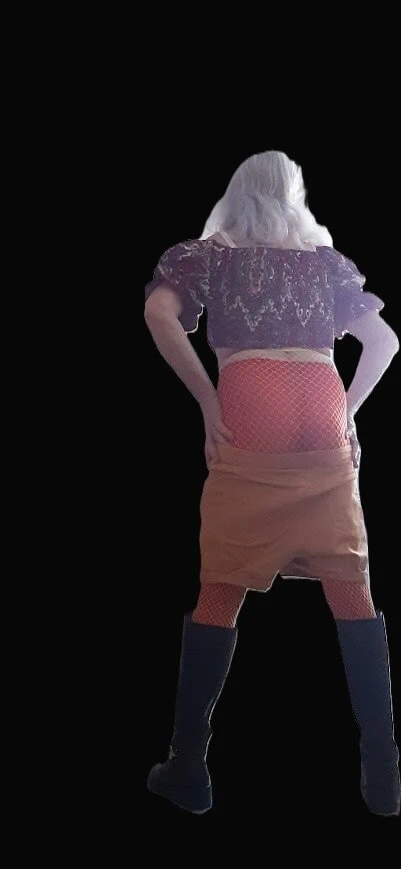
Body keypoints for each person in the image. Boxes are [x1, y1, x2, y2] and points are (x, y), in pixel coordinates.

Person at [144, 151, 400, 816]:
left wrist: (208, 401)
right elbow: (384, 343)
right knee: (351, 587)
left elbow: (159, 314)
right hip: (322, 420)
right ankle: (384, 778)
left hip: (249, 419)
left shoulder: (209, 256)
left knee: (221, 584)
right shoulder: (325, 263)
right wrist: (346, 410)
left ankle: (188, 768)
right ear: (295, 197)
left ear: (237, 195)